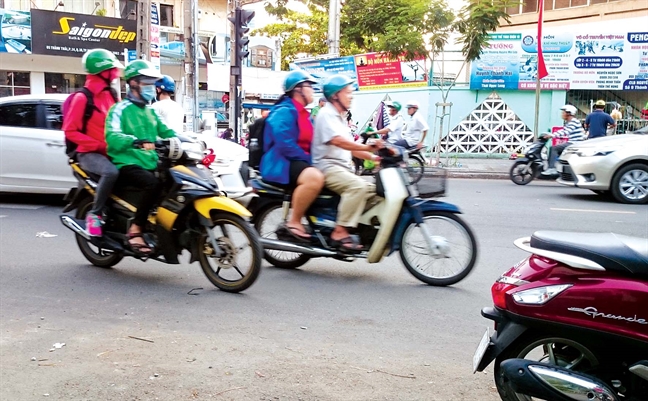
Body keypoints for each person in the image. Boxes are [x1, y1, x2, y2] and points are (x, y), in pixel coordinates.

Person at [105, 60, 177, 255]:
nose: (151, 87)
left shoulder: (151, 111)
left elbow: (168, 131)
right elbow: (112, 136)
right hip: (126, 161)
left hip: (150, 161)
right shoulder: (120, 109)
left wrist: (188, 141)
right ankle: (136, 228)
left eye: (153, 83)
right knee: (153, 184)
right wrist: (134, 141)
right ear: (134, 83)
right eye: (147, 82)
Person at [312, 75, 384, 251]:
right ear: (336, 95)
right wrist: (369, 148)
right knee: (357, 187)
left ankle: (356, 227)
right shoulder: (326, 114)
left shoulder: (340, 117)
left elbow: (353, 148)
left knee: (373, 192)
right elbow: (339, 142)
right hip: (327, 167)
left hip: (341, 168)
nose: (351, 96)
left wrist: (375, 158)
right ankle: (339, 230)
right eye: (348, 93)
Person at [63, 48, 123, 237]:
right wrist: (98, 145)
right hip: (88, 153)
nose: (115, 73)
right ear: (102, 71)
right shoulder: (82, 98)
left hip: (112, 150)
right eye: (112, 70)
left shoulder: (111, 94)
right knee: (110, 172)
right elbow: (70, 131)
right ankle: (95, 216)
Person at [260, 71, 325, 241]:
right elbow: (285, 143)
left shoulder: (304, 113)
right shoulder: (284, 111)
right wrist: (309, 161)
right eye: (309, 86)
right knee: (314, 178)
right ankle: (294, 222)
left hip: (296, 160)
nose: (312, 90)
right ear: (298, 90)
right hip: (281, 161)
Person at [542, 105, 585, 176]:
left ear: (569, 113)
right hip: (573, 142)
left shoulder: (573, 121)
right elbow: (564, 132)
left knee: (554, 148)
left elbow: (566, 132)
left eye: (563, 112)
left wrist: (552, 135)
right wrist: (554, 135)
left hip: (575, 143)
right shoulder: (570, 122)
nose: (562, 114)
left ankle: (552, 168)